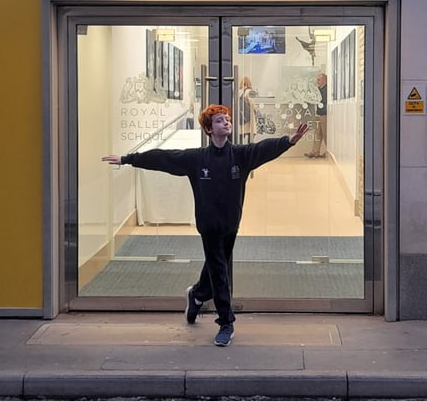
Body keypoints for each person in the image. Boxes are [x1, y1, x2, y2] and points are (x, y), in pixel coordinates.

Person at [102, 104, 308, 347]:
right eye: (220, 120)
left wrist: (288, 141)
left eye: (227, 119)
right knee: (219, 272)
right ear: (209, 129)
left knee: (215, 266)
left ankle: (197, 295)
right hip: (209, 226)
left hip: (231, 224)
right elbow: (163, 158)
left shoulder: (240, 156)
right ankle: (226, 323)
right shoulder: (197, 159)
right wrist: (128, 159)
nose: (226, 122)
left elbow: (263, 149)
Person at [305, 72, 327, 158]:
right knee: (317, 133)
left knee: (325, 134)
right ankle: (315, 151)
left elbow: (322, 101)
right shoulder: (318, 90)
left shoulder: (326, 90)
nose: (317, 81)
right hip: (318, 113)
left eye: (319, 80)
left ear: (323, 80)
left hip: (325, 114)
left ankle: (329, 151)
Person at [238, 76, 257, 144]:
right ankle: (250, 149)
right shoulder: (249, 91)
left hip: (241, 117)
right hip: (249, 117)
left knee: (240, 137)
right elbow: (252, 103)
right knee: (250, 136)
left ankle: (240, 149)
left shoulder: (238, 92)